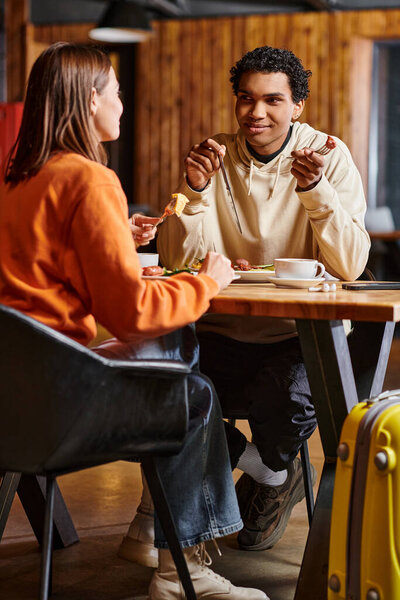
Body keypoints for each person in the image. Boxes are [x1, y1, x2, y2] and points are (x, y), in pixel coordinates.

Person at [0, 42, 268, 600]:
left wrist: (119, 238)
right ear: (91, 98)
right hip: (63, 404)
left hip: (13, 399)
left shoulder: (15, 180)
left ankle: (153, 526)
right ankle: (181, 571)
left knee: (178, 366)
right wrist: (208, 281)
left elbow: (37, 269)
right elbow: (132, 314)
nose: (122, 104)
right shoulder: (90, 179)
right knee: (191, 391)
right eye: (117, 93)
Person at [156, 45, 371, 552]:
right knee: (165, 397)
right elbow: (177, 261)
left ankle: (267, 471)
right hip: (221, 328)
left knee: (292, 399)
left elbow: (351, 266)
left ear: (298, 104)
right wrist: (195, 189)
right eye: (246, 99)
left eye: (273, 101)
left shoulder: (329, 155)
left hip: (300, 335)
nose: (257, 113)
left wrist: (317, 190)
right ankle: (275, 477)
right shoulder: (212, 155)